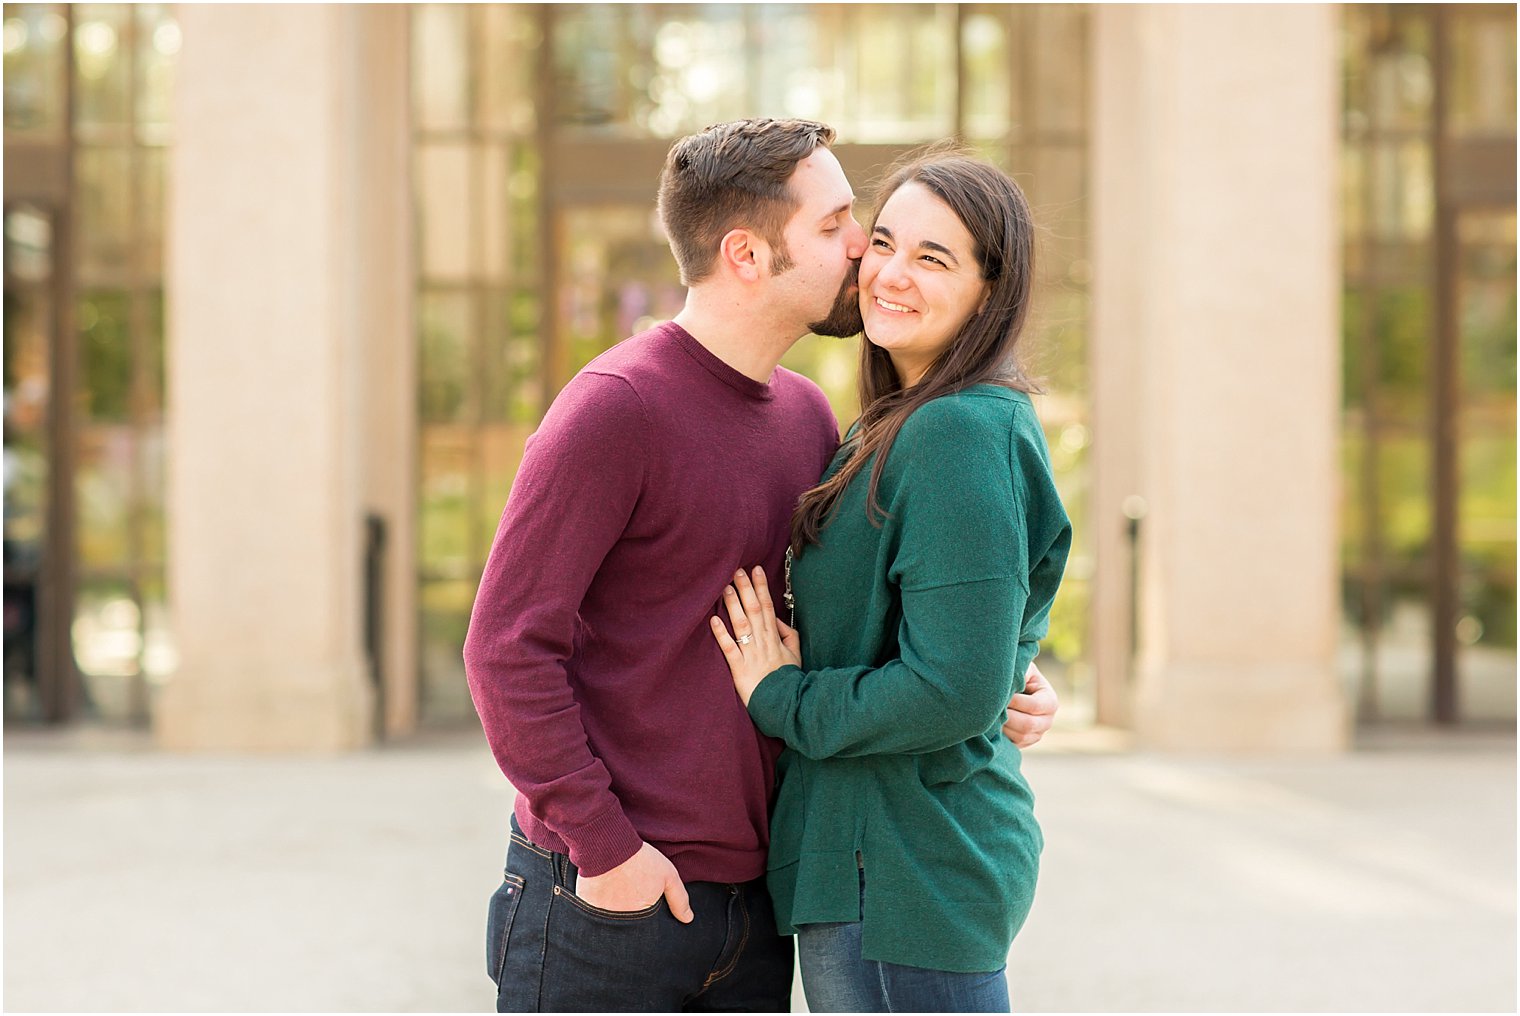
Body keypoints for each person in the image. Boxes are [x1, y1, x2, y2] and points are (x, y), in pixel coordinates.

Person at [464, 120, 1059, 1013]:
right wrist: (606, 849)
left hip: (759, 904)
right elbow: (505, 650)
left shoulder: (817, 422)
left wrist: (999, 671)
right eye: (840, 226)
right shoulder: (614, 410)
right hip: (612, 899)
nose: (863, 250)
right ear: (747, 253)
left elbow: (870, 615)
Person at [711, 153, 1072, 1013]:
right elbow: (970, 645)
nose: (892, 275)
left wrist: (782, 696)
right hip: (886, 868)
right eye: (883, 244)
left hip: (902, 875)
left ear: (991, 292)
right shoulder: (903, 425)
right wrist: (1007, 671)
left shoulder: (956, 432)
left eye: (934, 258)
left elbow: (948, 688)